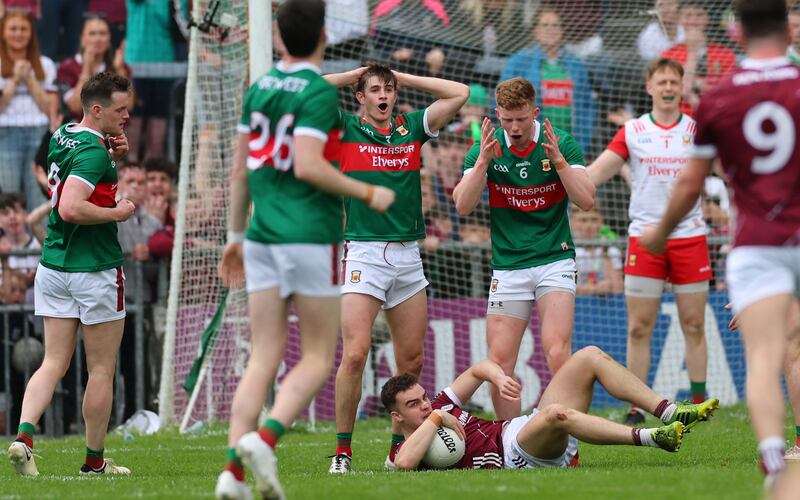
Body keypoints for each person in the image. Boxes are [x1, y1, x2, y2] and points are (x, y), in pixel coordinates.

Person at [214, 2, 395, 499]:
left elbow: (239, 171)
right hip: (309, 235)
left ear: (277, 35)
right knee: (317, 356)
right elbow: (310, 165)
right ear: (323, 35)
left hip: (263, 237)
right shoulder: (316, 94)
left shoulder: (258, 89)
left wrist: (235, 239)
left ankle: (231, 475)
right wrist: (366, 193)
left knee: (263, 359)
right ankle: (265, 439)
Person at [640, 0, 800, 487]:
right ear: (789, 30)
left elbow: (689, 186)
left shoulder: (719, 96)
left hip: (755, 247)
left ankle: (774, 460)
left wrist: (659, 233)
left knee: (765, 356)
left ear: (735, 30)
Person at [322, 63, 468, 472]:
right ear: (360, 96)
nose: (383, 96)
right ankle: (342, 453)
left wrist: (405, 79)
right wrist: (354, 72)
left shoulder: (411, 127)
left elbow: (459, 92)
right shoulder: (346, 126)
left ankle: (396, 452)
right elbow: (302, 91)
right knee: (355, 353)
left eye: (388, 89)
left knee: (413, 361)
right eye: (374, 89)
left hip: (407, 255)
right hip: (364, 253)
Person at [7, 71, 135, 477]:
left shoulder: (63, 134)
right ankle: (94, 462)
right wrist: (117, 212)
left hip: (54, 264)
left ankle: (24, 438)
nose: (127, 115)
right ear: (97, 110)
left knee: (53, 361)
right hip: (94, 268)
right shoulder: (95, 153)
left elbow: (79, 179)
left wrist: (114, 158)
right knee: (100, 368)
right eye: (120, 109)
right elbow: (70, 207)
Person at [453, 77, 595, 420]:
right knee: (500, 361)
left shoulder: (560, 143)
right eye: (507, 119)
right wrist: (483, 163)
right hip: (509, 264)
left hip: (554, 258)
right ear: (497, 115)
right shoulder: (484, 148)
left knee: (558, 352)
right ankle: (509, 442)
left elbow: (587, 200)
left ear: (536, 112)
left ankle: (567, 443)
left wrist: (559, 161)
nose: (514, 128)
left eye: (521, 119)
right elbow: (462, 206)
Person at [586, 57, 711, 425]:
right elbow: (596, 173)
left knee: (694, 323)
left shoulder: (698, 129)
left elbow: (726, 169)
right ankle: (637, 406)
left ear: (682, 86)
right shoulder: (634, 130)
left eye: (675, 81)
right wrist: (564, 169)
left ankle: (700, 402)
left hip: (690, 236)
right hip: (644, 239)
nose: (669, 87)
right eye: (663, 82)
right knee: (639, 327)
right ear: (650, 87)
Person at [382, 346, 719, 471]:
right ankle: (652, 437)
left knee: (588, 356)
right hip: (516, 455)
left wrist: (498, 378)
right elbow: (404, 464)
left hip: (521, 428)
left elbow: (477, 369)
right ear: (397, 416)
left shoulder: (437, 403)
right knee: (557, 413)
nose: (426, 406)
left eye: (425, 398)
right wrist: (437, 419)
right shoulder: (408, 443)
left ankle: (670, 412)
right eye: (414, 405)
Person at [500, 6, 595, 154]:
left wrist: (582, 144)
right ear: (535, 30)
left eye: (555, 25)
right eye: (545, 25)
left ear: (562, 30)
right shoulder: (519, 62)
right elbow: (501, 102)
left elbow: (586, 106)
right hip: (530, 146)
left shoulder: (576, 65)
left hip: (569, 145)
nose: (550, 29)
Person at [0, 10, 56, 211]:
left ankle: (38, 241)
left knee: (38, 194)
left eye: (24, 29)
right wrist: (15, 80)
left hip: (38, 133)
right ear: (3, 32)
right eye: (13, 28)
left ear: (31, 33)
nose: (18, 33)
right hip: (5, 134)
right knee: (9, 195)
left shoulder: (46, 64)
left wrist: (30, 79)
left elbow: (48, 107)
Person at [661, 1, 736, 113]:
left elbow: (726, 91)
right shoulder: (669, 55)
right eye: (688, 15)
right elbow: (682, 90)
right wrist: (692, 51)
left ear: (707, 19)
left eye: (699, 15)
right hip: (681, 118)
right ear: (679, 19)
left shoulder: (724, 54)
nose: (693, 20)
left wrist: (693, 86)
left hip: (716, 114)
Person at [57, 14, 130, 123]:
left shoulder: (118, 65)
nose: (98, 39)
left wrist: (119, 70)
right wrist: (86, 68)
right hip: (79, 134)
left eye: (103, 33)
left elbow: (129, 104)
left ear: (109, 38)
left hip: (113, 133)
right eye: (92, 34)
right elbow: (76, 106)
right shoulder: (67, 68)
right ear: (82, 38)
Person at [572, 207, 623, 296]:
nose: (589, 225)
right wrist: (594, 289)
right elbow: (565, 290)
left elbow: (618, 289)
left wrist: (605, 252)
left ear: (601, 222)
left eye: (594, 220)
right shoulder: (568, 252)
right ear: (573, 223)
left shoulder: (611, 251)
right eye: (583, 220)